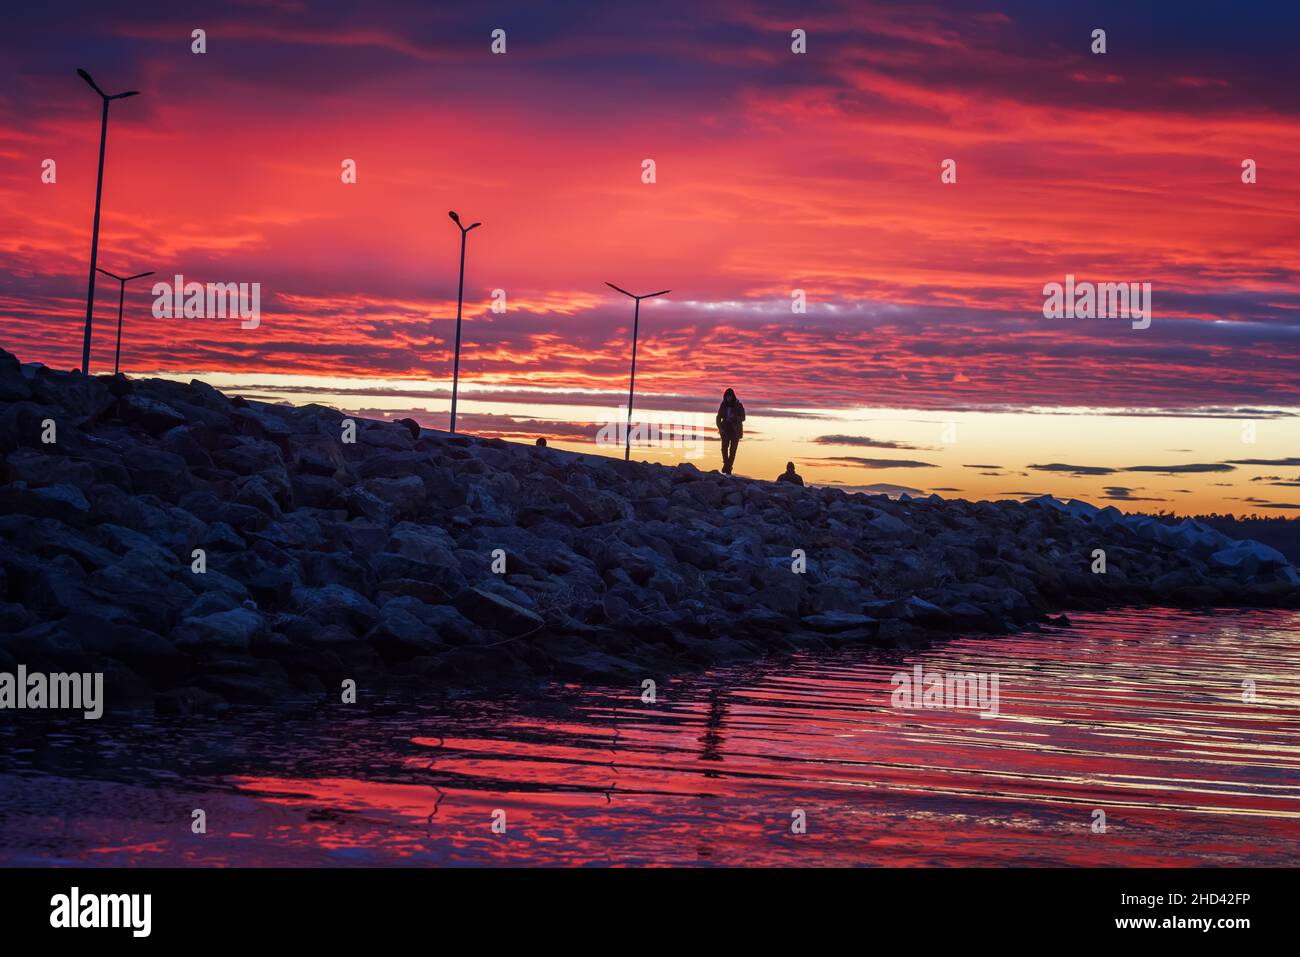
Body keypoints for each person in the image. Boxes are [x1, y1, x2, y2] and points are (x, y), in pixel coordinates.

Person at [716, 388, 745, 474]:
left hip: (735, 431)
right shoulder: (723, 405)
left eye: (730, 396)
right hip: (725, 430)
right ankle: (727, 465)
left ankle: (728, 468)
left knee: (733, 451)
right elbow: (718, 417)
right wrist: (720, 428)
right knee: (724, 449)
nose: (728, 398)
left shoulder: (738, 405)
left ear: (733, 396)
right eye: (727, 396)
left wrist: (734, 418)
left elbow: (743, 417)